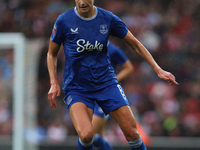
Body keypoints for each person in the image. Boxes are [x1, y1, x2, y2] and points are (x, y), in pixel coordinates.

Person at [47, 0, 179, 150]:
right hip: (77, 88)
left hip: (106, 84)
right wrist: (53, 82)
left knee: (133, 133)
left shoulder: (108, 18)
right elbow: (51, 53)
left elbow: (134, 43)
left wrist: (157, 68)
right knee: (86, 135)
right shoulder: (64, 20)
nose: (82, 2)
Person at [92, 41, 133, 150]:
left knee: (89, 134)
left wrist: (113, 81)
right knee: (96, 136)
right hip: (90, 93)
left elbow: (128, 67)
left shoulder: (113, 49)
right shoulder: (88, 46)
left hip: (105, 95)